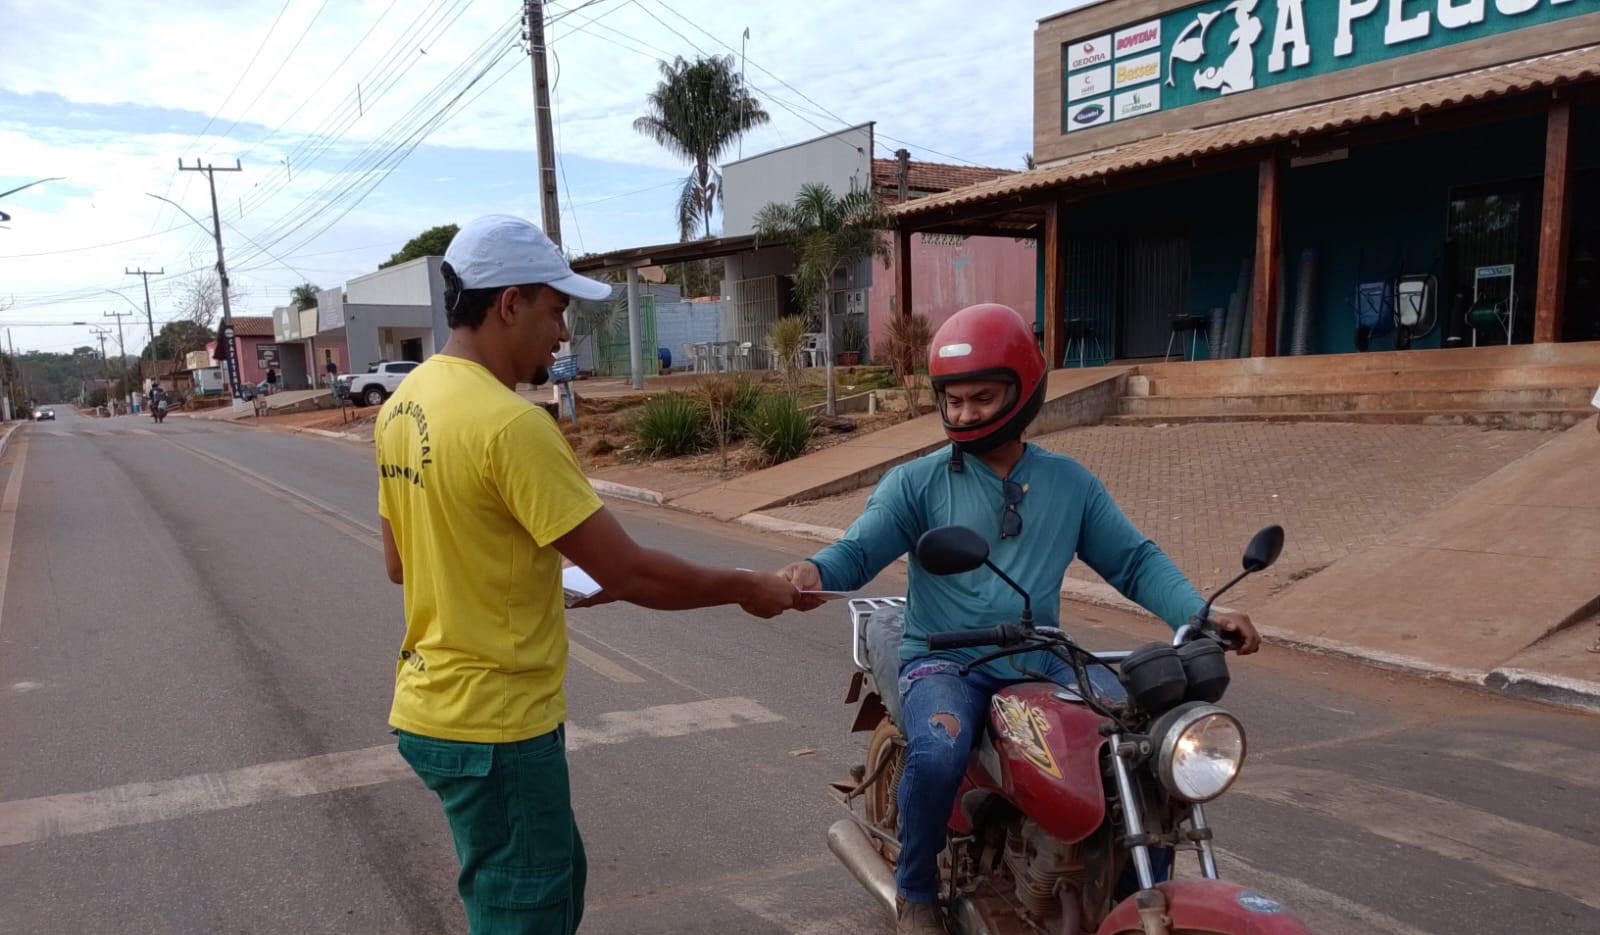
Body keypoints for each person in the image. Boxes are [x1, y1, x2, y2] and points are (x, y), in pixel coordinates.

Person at [375, 214, 805, 935]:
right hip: (497, 726)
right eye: (556, 309)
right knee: (529, 912)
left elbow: (402, 562)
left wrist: (539, 581)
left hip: (432, 710)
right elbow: (632, 571)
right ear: (509, 303)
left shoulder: (403, 407)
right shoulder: (510, 425)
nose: (563, 332)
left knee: (548, 885)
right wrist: (747, 585)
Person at [778, 303, 1260, 934]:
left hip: (1041, 657)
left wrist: (1202, 614)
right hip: (946, 660)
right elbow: (858, 551)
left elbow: (1135, 561)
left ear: (1024, 391)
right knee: (939, 750)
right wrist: (814, 573)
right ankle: (916, 892)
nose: (965, 414)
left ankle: (1130, 893)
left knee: (1142, 747)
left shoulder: (1069, 484)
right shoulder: (916, 483)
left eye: (983, 397)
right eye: (954, 400)